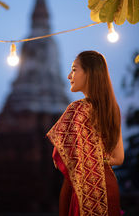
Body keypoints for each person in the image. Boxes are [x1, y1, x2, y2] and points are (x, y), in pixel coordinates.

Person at [46, 50, 124, 216]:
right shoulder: (113, 109)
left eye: (74, 69)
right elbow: (118, 158)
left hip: (81, 186)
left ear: (90, 73)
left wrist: (87, 161)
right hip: (107, 186)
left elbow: (60, 155)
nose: (69, 76)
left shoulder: (77, 109)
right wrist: (97, 159)